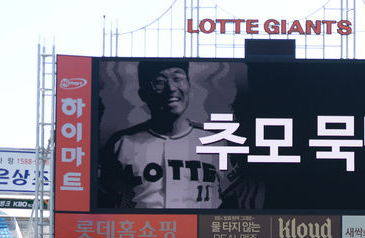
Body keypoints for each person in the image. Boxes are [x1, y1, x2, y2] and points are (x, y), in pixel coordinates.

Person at [98, 60, 262, 209]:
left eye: (178, 79)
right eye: (159, 82)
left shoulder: (216, 142)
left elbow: (237, 199)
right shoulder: (122, 143)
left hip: (202, 231)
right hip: (143, 230)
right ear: (144, 94)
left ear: (189, 87)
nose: (171, 88)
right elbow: (104, 201)